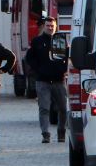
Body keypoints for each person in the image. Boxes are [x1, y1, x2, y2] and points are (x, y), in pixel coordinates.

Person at [26, 16, 68, 144]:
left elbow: (67, 57)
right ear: (44, 26)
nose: (50, 28)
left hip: (58, 81)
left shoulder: (61, 40)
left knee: (63, 108)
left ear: (56, 26)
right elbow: (29, 58)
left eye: (52, 26)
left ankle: (61, 132)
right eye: (48, 26)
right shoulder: (37, 41)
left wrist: (64, 69)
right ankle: (46, 134)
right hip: (42, 81)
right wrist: (38, 70)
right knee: (44, 108)